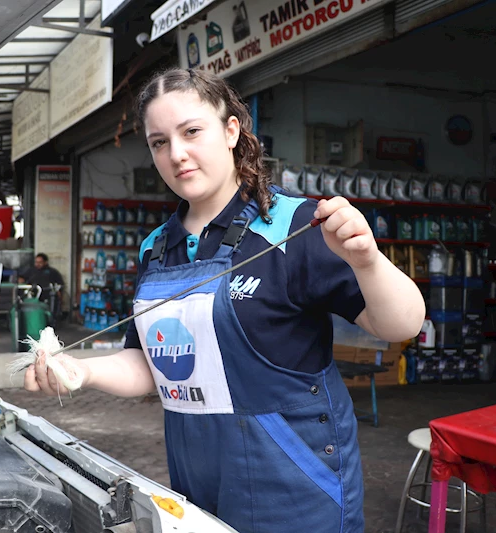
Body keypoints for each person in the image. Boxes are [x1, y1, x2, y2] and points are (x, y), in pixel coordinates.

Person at [24, 68, 425, 533]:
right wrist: (82, 371)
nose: (177, 154)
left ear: (232, 130)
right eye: (158, 142)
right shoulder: (156, 248)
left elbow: (403, 325)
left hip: (295, 490)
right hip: (200, 487)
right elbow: (151, 364)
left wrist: (368, 261)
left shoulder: (295, 226)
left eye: (192, 131)